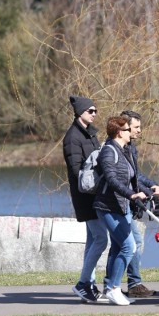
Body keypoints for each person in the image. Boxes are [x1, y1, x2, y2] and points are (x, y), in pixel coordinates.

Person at [94, 116, 159, 305]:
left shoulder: (124, 151)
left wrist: (149, 191)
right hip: (108, 206)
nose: (132, 132)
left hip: (121, 206)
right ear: (119, 132)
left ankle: (111, 288)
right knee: (129, 246)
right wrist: (132, 195)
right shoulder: (109, 151)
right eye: (127, 130)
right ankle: (114, 288)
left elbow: (133, 178)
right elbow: (112, 179)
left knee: (120, 246)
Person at [62, 95, 108, 303]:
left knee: (92, 240)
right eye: (91, 111)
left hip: (94, 193)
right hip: (85, 196)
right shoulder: (73, 137)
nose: (94, 114)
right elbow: (77, 170)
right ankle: (83, 284)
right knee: (100, 239)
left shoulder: (90, 134)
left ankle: (89, 285)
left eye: (96, 110)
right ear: (80, 112)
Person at [120, 110, 159, 298]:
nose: (140, 131)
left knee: (126, 245)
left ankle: (114, 284)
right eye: (136, 127)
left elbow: (136, 175)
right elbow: (127, 180)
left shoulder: (131, 147)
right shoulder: (117, 148)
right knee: (133, 243)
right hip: (121, 203)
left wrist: (152, 185)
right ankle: (133, 284)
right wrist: (145, 192)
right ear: (125, 127)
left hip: (130, 203)